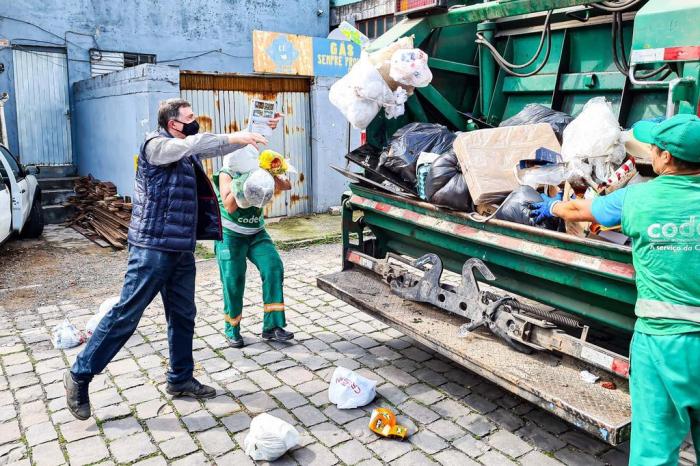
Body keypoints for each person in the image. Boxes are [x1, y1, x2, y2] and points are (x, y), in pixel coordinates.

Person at [64, 98, 276, 420]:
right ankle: (79, 374)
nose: (194, 122)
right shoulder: (156, 146)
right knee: (126, 314)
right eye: (189, 118)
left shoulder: (186, 150)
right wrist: (236, 137)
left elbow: (213, 149)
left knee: (183, 315)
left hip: (180, 248)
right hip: (152, 249)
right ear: (174, 123)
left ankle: (180, 378)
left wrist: (253, 132)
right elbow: (197, 143)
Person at [530, 114, 700, 466]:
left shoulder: (637, 199)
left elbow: (579, 209)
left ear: (665, 157)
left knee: (654, 449)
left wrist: (551, 206)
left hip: (662, 343)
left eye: (654, 147)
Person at [213, 150, 294, 348]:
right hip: (230, 235)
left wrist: (270, 173)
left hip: (256, 233)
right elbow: (230, 205)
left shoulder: (259, 168)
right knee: (233, 280)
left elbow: (287, 185)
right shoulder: (227, 173)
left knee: (273, 267)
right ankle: (232, 329)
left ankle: (272, 327)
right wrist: (245, 180)